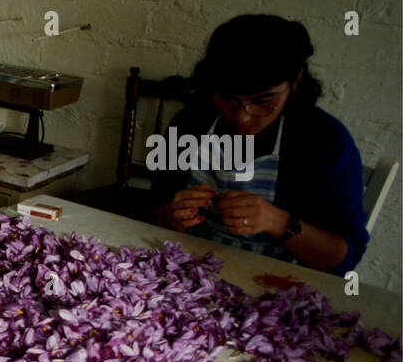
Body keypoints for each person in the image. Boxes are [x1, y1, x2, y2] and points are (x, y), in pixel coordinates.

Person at [151, 15, 368, 276]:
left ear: (296, 80)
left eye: (263, 101)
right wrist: (171, 216)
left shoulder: (326, 141)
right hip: (191, 268)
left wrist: (278, 222)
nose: (242, 116)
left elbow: (342, 258)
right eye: (228, 99)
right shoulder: (189, 122)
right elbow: (155, 207)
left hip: (278, 283)